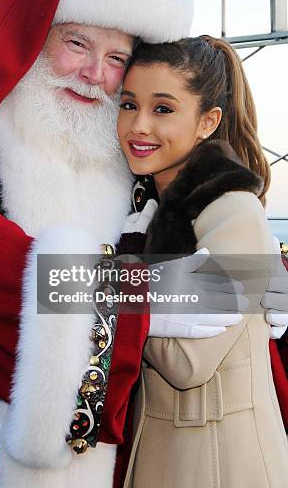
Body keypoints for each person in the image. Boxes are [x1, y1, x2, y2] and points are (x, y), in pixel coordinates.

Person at [0, 0, 285, 488]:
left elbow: (207, 211)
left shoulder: (123, 149)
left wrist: (266, 278)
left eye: (118, 57)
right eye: (76, 43)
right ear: (27, 31)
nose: (97, 76)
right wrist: (140, 301)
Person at [116, 36, 288, 487]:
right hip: (169, 451)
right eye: (128, 104)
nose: (139, 125)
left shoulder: (232, 209)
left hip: (220, 461)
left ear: (208, 122)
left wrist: (118, 288)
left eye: (163, 109)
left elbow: (187, 363)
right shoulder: (148, 211)